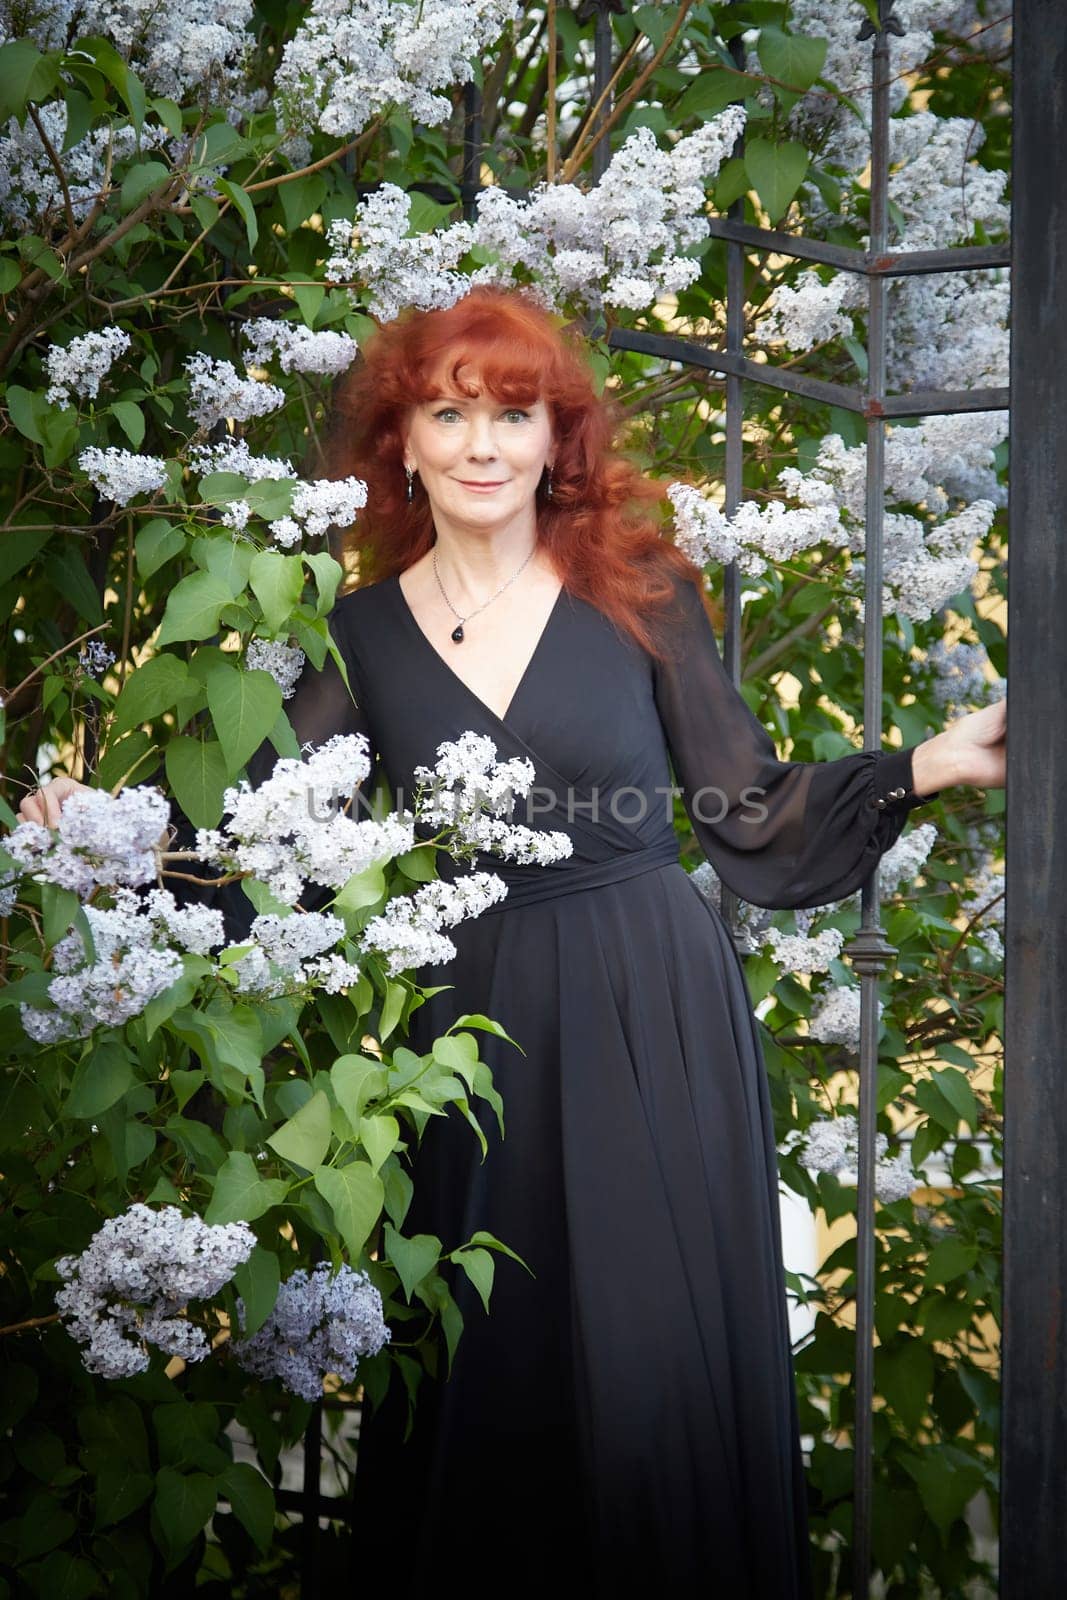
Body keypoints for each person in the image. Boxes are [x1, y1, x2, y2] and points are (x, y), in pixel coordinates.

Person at [20, 286, 1006, 1596]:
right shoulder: (357, 637)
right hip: (472, 1051)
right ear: (404, 442)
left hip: (651, 1017)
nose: (482, 446)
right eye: (449, 413)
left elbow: (743, 809)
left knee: (652, 1387)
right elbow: (270, 852)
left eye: (513, 415)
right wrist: (122, 843)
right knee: (502, 1375)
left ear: (558, 440)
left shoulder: (641, 589)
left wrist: (929, 762)